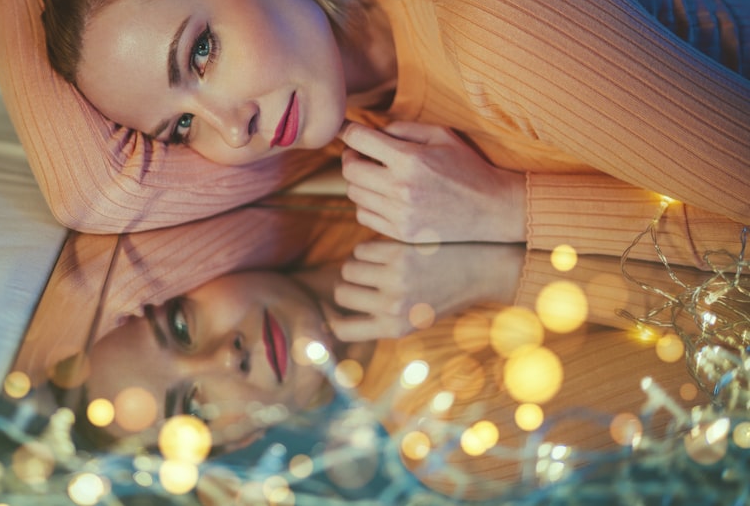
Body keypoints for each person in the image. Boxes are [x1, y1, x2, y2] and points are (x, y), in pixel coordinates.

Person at [0, 0, 748, 276]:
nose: (228, 126)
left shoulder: (492, 16)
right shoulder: (338, 108)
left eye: (200, 51)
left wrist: (508, 212)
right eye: (179, 124)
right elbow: (97, 190)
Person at [43, 254, 713, 500]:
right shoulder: (454, 431)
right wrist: (494, 260)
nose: (226, 356)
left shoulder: (353, 178)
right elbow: (723, 342)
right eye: (194, 403)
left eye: (181, 326)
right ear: (236, 439)